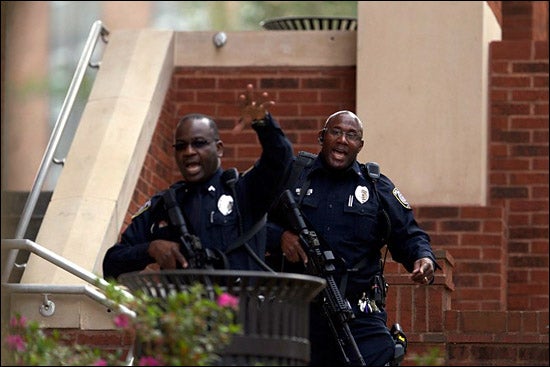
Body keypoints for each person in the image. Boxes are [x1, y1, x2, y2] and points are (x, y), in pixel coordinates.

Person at [266, 110, 440, 366]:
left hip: (356, 311)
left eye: (352, 135)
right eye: (336, 132)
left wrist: (422, 258)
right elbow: (248, 220)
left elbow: (409, 233)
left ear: (360, 145)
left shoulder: (375, 187)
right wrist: (279, 236)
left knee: (382, 355)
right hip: (297, 309)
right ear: (322, 137)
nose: (343, 140)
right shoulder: (294, 176)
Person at [102, 84, 293, 280]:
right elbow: (111, 264)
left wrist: (263, 123)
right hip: (186, 310)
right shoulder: (164, 204)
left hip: (241, 307)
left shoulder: (243, 191)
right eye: (181, 146)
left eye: (199, 143)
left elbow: (280, 159)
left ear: (218, 149)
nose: (189, 152)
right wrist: (150, 249)